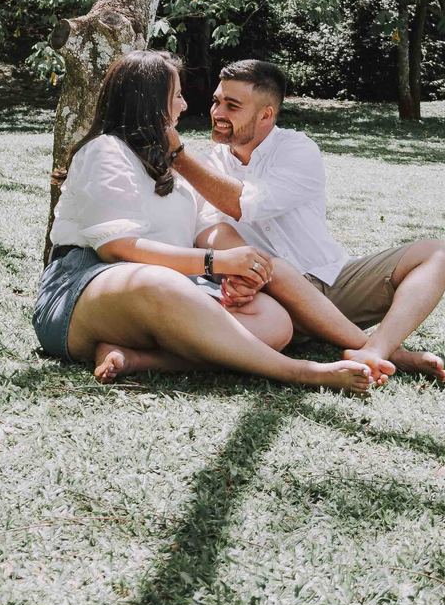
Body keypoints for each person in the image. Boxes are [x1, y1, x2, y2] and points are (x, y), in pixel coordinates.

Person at [32, 50, 374, 394]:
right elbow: (117, 249)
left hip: (173, 288)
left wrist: (236, 275)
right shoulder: (105, 150)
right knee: (157, 281)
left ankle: (140, 358)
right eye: (177, 95)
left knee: (275, 321)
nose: (184, 106)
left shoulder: (168, 164)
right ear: (150, 101)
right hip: (83, 290)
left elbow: (204, 233)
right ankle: (301, 372)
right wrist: (216, 262)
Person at [169, 59, 445, 381]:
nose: (217, 113)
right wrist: (245, 269)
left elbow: (243, 203)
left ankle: (378, 349)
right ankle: (393, 355)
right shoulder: (210, 164)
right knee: (274, 268)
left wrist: (178, 155)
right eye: (216, 101)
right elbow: (209, 231)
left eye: (232, 106)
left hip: (333, 282)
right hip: (270, 297)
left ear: (265, 115)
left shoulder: (297, 150)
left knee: (437, 252)